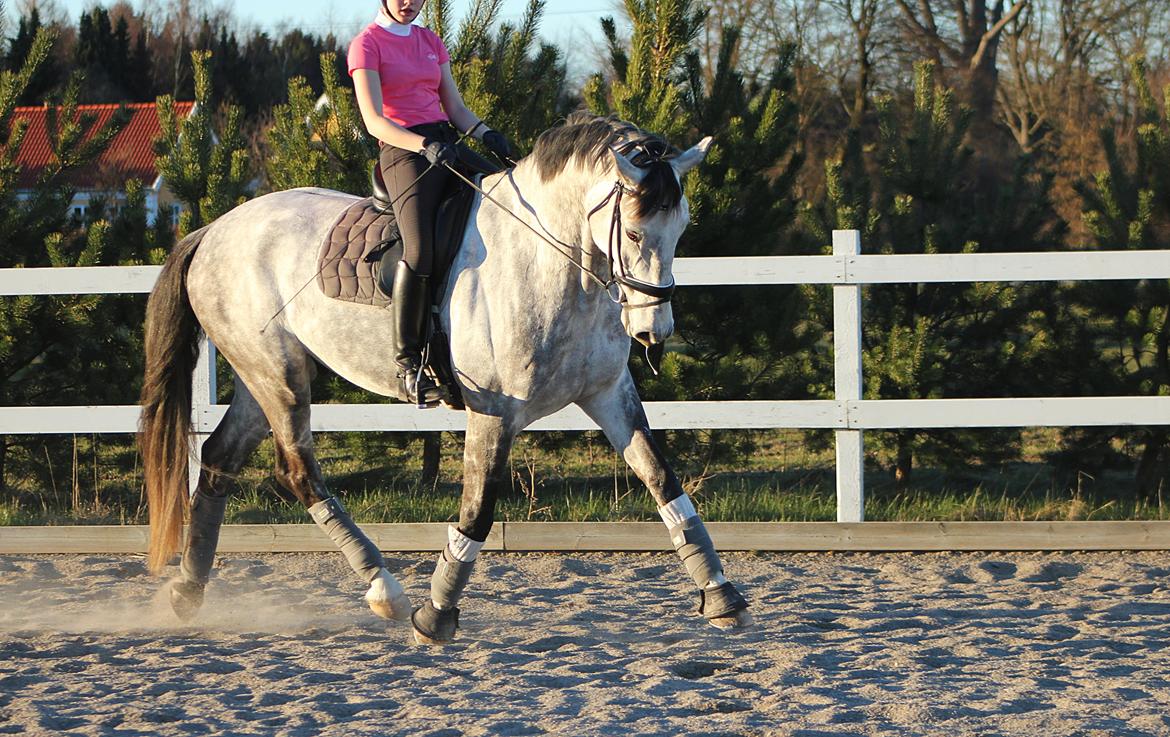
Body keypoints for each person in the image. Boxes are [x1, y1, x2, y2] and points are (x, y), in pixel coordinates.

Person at [348, 0, 513, 407]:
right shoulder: (366, 45)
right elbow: (373, 120)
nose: (410, 3)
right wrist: (422, 144)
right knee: (419, 251)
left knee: (507, 203)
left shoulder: (430, 41)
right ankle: (408, 368)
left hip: (445, 142)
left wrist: (487, 133)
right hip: (404, 151)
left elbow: (454, 107)